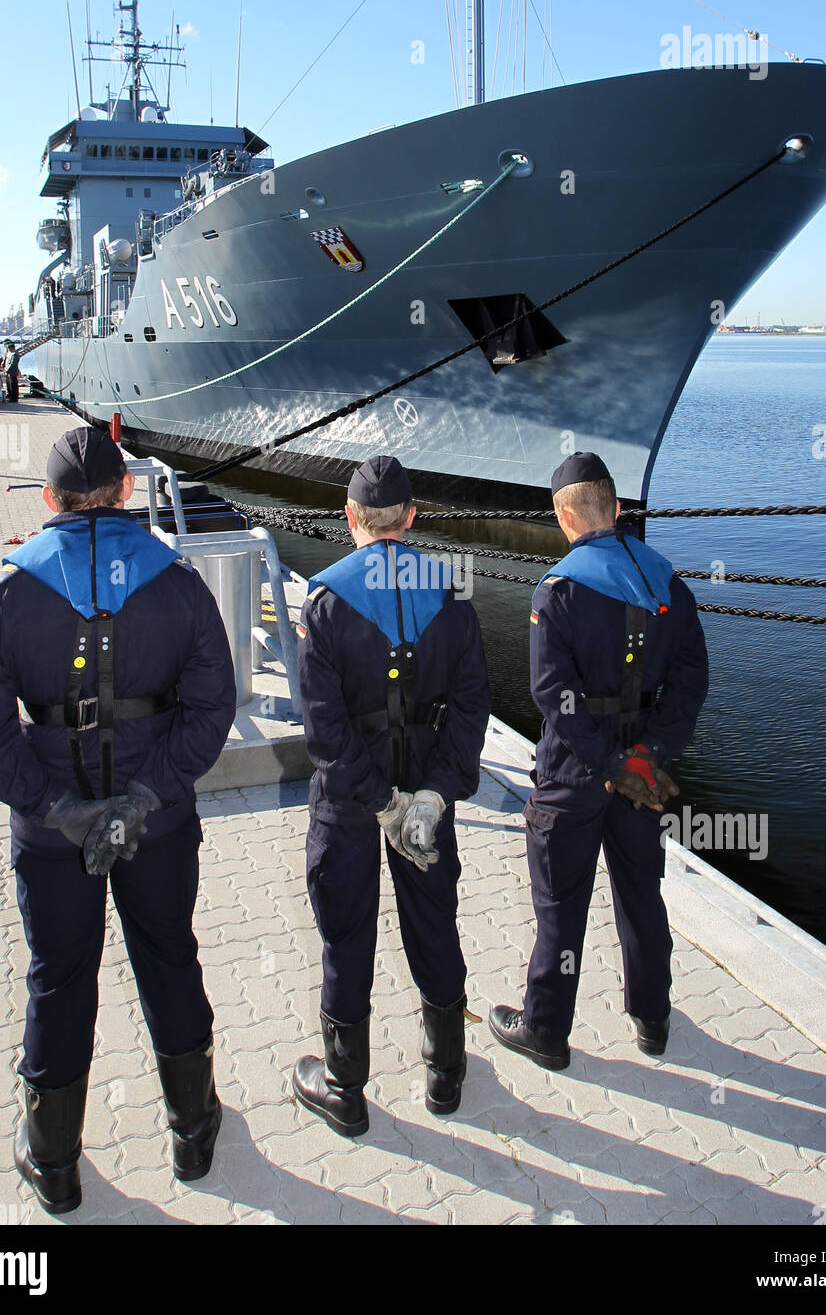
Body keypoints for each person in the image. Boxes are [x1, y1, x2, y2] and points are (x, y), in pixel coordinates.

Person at [0, 426, 237, 1213]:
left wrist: (54, 807)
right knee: (168, 957)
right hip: (159, 824)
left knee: (59, 977)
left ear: (49, 501)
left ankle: (53, 1161)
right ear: (124, 493)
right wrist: (148, 795)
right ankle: (193, 1131)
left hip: (52, 831)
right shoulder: (178, 581)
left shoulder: (7, 588)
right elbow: (214, 706)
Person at [292, 455, 492, 1136]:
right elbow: (471, 710)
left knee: (346, 936)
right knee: (433, 925)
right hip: (427, 791)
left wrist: (382, 804)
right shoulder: (452, 595)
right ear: (411, 517)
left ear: (349, 519)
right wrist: (431, 799)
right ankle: (445, 1078)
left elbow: (323, 729)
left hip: (349, 804)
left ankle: (345, 1089)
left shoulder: (323, 604)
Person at [490, 452, 709, 1068]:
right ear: (616, 507)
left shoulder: (557, 590)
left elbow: (552, 694)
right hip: (642, 773)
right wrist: (646, 756)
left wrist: (606, 762)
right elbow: (692, 680)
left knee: (561, 904)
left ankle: (547, 1030)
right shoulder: (668, 581)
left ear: (564, 514)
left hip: (575, 774)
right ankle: (653, 1018)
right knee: (642, 893)